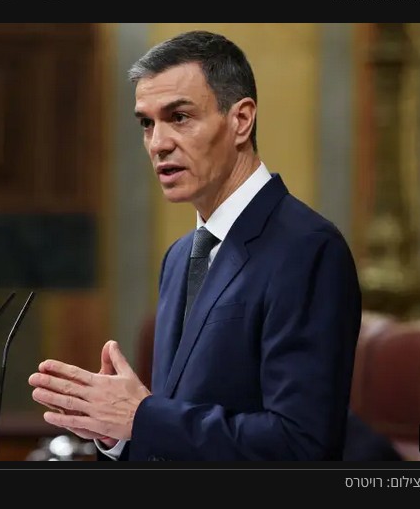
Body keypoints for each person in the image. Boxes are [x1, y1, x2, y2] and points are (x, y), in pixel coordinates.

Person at [28, 30, 363, 461]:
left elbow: (302, 444)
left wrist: (142, 418)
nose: (158, 143)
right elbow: (175, 426)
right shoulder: (180, 256)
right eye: (147, 123)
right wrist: (118, 435)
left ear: (241, 120)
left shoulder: (307, 248)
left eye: (180, 117)